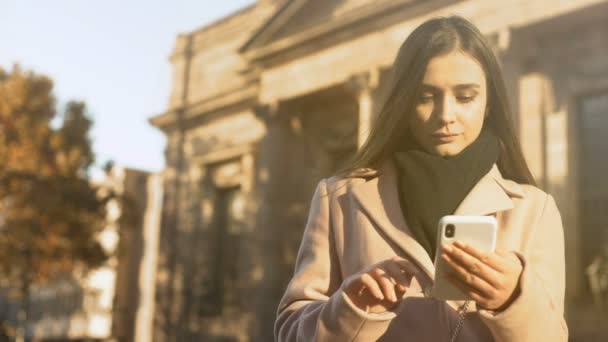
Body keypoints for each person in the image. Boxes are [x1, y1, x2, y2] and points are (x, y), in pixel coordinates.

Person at [274, 16, 568, 342]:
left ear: (489, 105)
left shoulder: (534, 209)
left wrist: (513, 300)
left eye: (465, 97)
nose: (445, 115)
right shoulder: (340, 198)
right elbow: (290, 331)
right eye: (425, 97)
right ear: (403, 102)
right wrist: (351, 309)